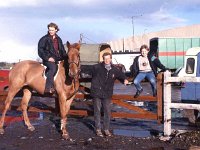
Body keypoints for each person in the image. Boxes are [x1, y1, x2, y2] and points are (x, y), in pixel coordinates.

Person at [90, 52, 129, 137]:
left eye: (108, 58)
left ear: (111, 59)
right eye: (105, 58)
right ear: (103, 59)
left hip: (107, 93)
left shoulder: (114, 69)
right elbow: (86, 70)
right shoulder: (96, 67)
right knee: (97, 111)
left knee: (107, 111)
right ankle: (98, 129)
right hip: (96, 92)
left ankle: (106, 129)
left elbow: (121, 75)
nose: (107, 60)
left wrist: (125, 79)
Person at [38, 22, 67, 94]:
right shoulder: (44, 39)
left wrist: (66, 57)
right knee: (53, 68)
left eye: (52, 30)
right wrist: (48, 58)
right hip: (47, 60)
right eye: (49, 30)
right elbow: (40, 50)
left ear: (56, 30)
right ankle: (48, 87)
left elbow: (62, 50)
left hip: (57, 59)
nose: (50, 31)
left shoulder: (59, 39)